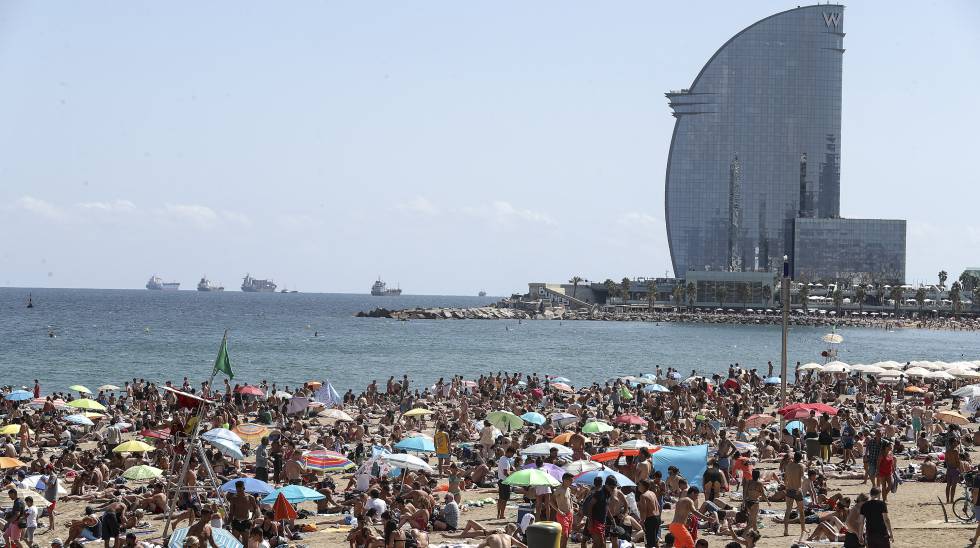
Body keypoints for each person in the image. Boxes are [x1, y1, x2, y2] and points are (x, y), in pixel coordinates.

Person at [227, 480, 260, 545]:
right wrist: (228, 524)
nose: (239, 492)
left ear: (244, 488)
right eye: (238, 491)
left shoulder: (250, 498)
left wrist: (252, 520)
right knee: (235, 543)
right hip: (236, 521)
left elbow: (256, 509)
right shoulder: (234, 498)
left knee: (245, 543)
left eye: (240, 490)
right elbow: (231, 513)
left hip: (246, 522)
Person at [782, 451, 807, 538]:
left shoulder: (788, 465)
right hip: (797, 490)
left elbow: (785, 479)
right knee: (801, 511)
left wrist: (786, 486)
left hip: (789, 490)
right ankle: (803, 528)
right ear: (800, 458)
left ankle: (785, 530)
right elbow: (801, 477)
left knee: (788, 510)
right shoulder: (800, 466)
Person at [551, 473, 574, 548]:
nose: (572, 482)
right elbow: (551, 501)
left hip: (569, 515)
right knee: (565, 535)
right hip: (562, 515)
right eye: (570, 480)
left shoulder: (568, 489)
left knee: (567, 537)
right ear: (564, 480)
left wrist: (572, 510)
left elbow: (570, 500)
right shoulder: (559, 489)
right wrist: (559, 511)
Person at [637, 478, 661, 548]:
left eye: (639, 485)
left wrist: (642, 521)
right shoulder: (652, 493)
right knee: (655, 540)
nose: (638, 486)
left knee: (649, 543)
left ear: (644, 486)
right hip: (657, 518)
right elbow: (658, 506)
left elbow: (644, 510)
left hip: (650, 520)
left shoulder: (643, 496)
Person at [496, 448, 515, 520]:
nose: (512, 456)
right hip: (505, 482)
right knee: (504, 499)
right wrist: (512, 477)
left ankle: (499, 514)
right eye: (512, 454)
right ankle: (502, 515)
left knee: (501, 498)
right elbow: (505, 472)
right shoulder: (505, 460)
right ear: (509, 452)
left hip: (501, 481)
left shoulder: (502, 458)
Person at [945, 437, 962, 504]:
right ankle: (952, 500)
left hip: (949, 469)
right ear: (952, 443)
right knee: (954, 486)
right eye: (955, 442)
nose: (956, 443)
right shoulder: (955, 451)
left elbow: (946, 461)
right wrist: (959, 470)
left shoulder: (947, 451)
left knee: (948, 485)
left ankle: (947, 500)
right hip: (955, 469)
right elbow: (957, 462)